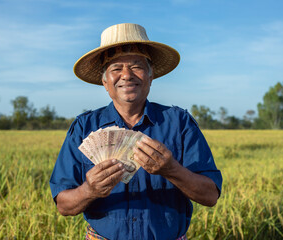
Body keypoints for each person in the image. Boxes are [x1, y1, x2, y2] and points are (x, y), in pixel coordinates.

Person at [50, 23, 222, 240]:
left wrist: (172, 170)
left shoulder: (180, 123)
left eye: (137, 66)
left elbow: (210, 195)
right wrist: (89, 190)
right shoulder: (84, 127)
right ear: (105, 81)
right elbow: (64, 206)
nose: (126, 75)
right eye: (116, 68)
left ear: (150, 77)